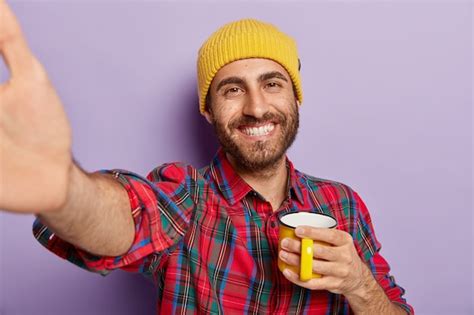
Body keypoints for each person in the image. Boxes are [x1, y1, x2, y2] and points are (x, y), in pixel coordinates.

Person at [0, 1, 413, 314]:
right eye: (232, 89)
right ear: (208, 110)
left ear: (295, 96)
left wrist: (360, 283)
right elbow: (128, 217)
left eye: (272, 83)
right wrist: (65, 189)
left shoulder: (342, 206)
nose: (256, 108)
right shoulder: (187, 196)